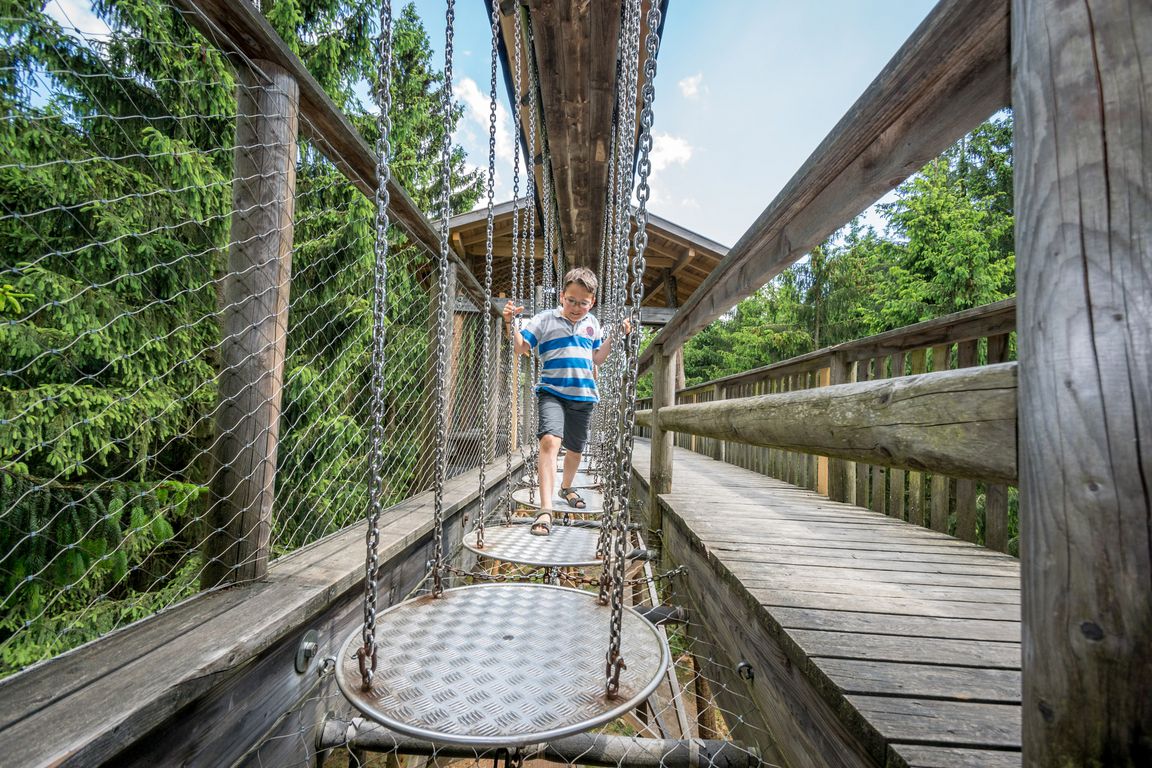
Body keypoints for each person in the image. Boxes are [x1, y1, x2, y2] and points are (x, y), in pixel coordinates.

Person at [503, 267, 629, 535]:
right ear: (562, 296)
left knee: (575, 450)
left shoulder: (592, 323)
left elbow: (597, 358)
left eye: (583, 303)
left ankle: (566, 487)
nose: (576, 307)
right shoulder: (545, 319)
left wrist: (614, 336)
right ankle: (546, 509)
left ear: (591, 302)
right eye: (571, 300)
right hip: (552, 391)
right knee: (550, 441)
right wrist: (510, 324)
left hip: (583, 396)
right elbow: (520, 347)